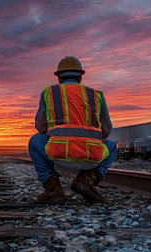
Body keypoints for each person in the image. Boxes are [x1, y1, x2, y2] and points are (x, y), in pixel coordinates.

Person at [28, 56, 117, 204]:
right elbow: (107, 130)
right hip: (91, 156)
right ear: (80, 77)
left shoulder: (49, 93)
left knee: (34, 141)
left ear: (59, 79)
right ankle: (86, 180)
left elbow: (40, 126)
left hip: (58, 153)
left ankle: (54, 190)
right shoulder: (96, 95)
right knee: (112, 146)